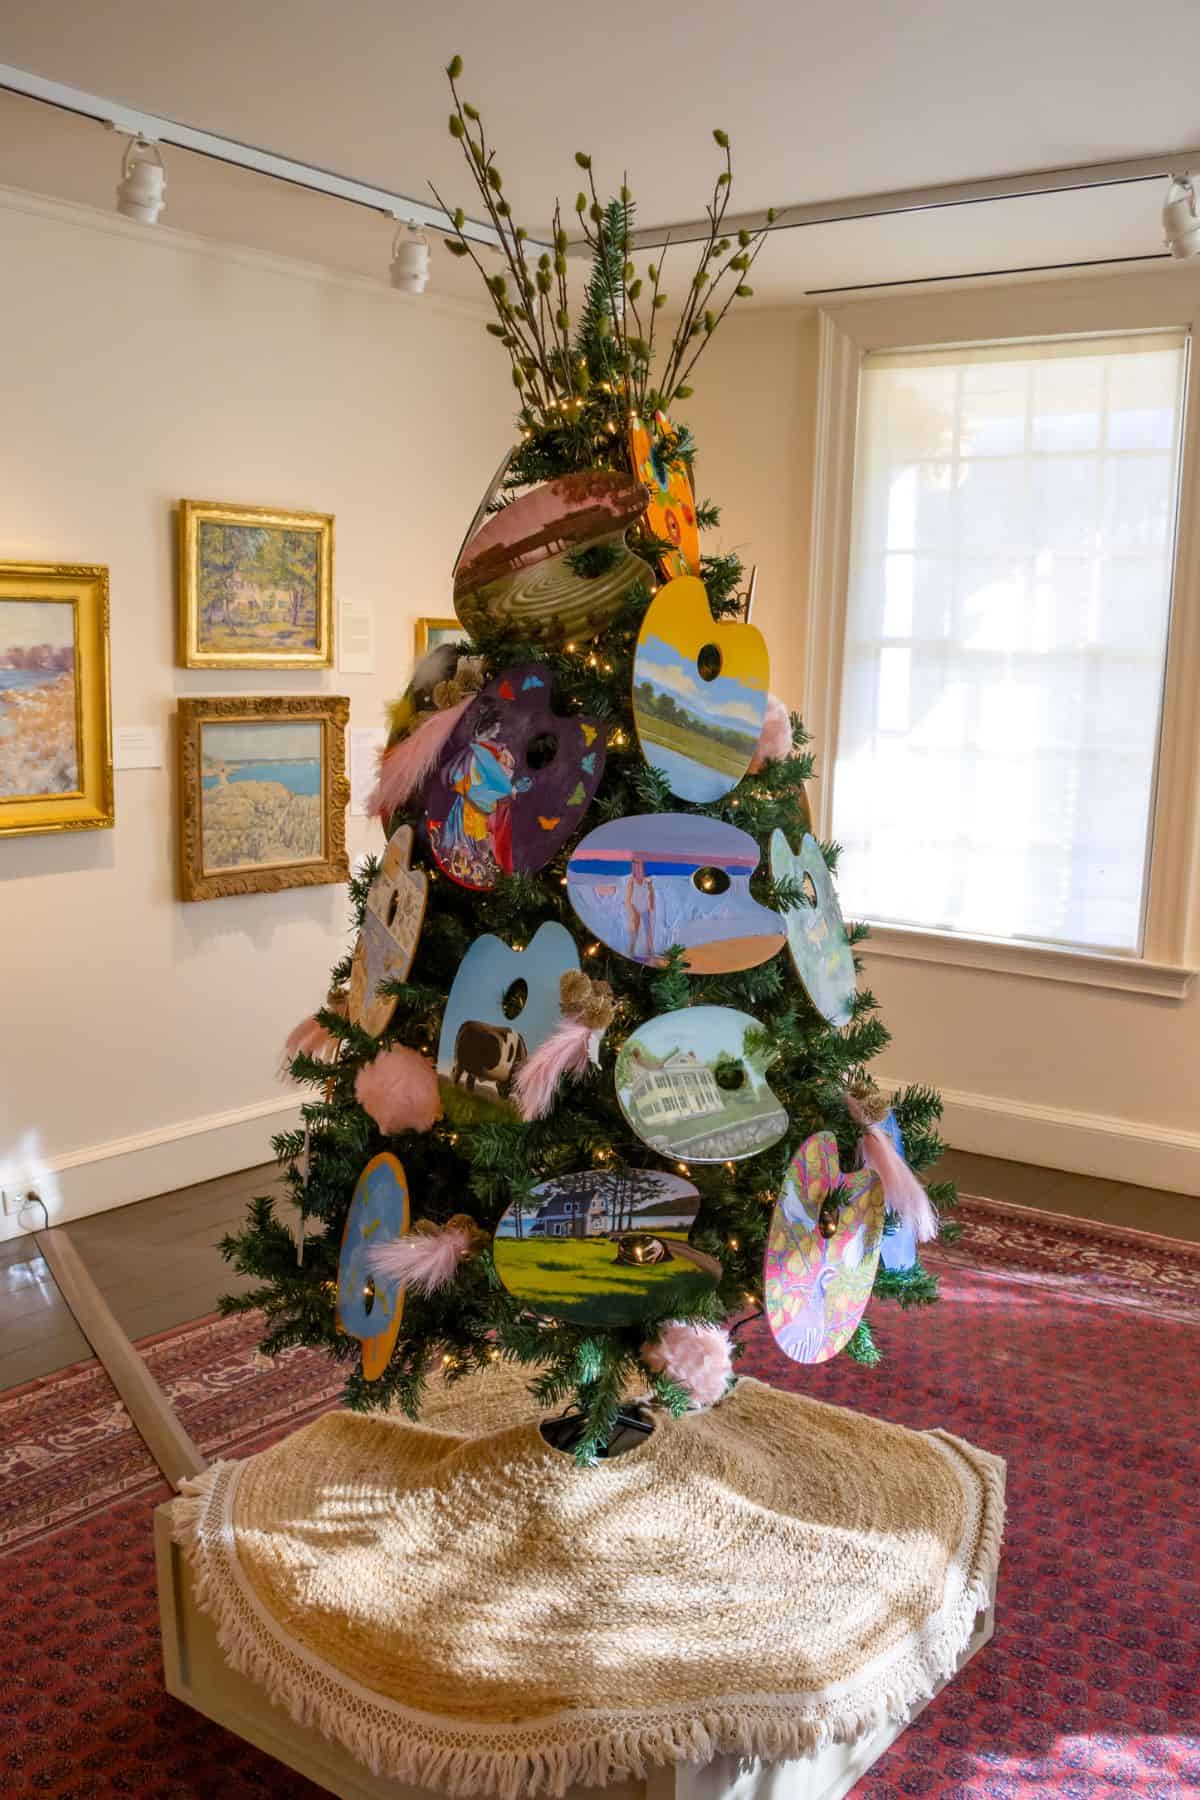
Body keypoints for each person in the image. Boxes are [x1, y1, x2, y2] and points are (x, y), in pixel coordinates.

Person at [625, 852, 657, 959]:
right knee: (635, 930)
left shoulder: (648, 881)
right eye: (636, 864)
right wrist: (632, 910)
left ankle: (650, 951)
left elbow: (652, 894)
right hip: (635, 907)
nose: (638, 867)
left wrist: (652, 907)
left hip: (646, 908)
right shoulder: (631, 881)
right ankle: (631, 950)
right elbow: (628, 898)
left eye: (640, 864)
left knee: (649, 930)